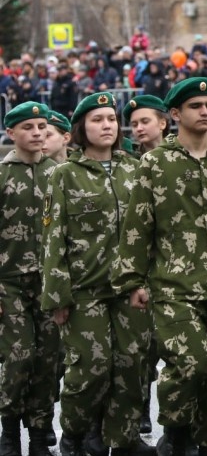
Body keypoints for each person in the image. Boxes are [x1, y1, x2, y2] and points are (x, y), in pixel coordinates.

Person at [112, 77, 207, 456]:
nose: (205, 111)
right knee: (192, 362)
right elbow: (138, 224)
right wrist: (132, 279)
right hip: (175, 284)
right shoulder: (156, 162)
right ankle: (176, 431)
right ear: (175, 114)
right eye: (196, 106)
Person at [41, 93, 154, 456]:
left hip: (129, 287)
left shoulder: (134, 168)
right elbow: (53, 239)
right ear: (81, 129)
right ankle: (74, 432)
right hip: (84, 290)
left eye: (110, 118)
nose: (106, 125)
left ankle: (122, 438)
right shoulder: (65, 175)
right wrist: (57, 297)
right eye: (97, 120)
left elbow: (150, 229)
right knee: (89, 369)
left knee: (132, 367)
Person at [0, 102, 60, 456]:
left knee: (48, 359)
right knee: (18, 357)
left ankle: (39, 435)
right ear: (11, 133)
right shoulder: (3, 175)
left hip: (50, 284)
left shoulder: (59, 173)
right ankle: (9, 434)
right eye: (28, 127)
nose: (37, 133)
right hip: (8, 282)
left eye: (41, 126)